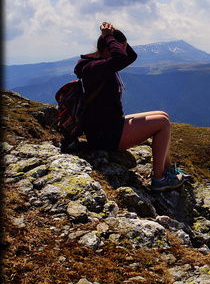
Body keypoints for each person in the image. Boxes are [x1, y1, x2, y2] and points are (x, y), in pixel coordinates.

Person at [74, 22, 183, 189]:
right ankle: (159, 179)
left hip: (109, 126)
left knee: (163, 116)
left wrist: (115, 35)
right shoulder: (96, 68)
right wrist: (109, 36)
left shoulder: (102, 64)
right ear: (110, 49)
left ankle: (167, 170)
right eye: (119, 48)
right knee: (163, 124)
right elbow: (121, 58)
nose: (123, 52)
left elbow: (130, 56)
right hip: (105, 135)